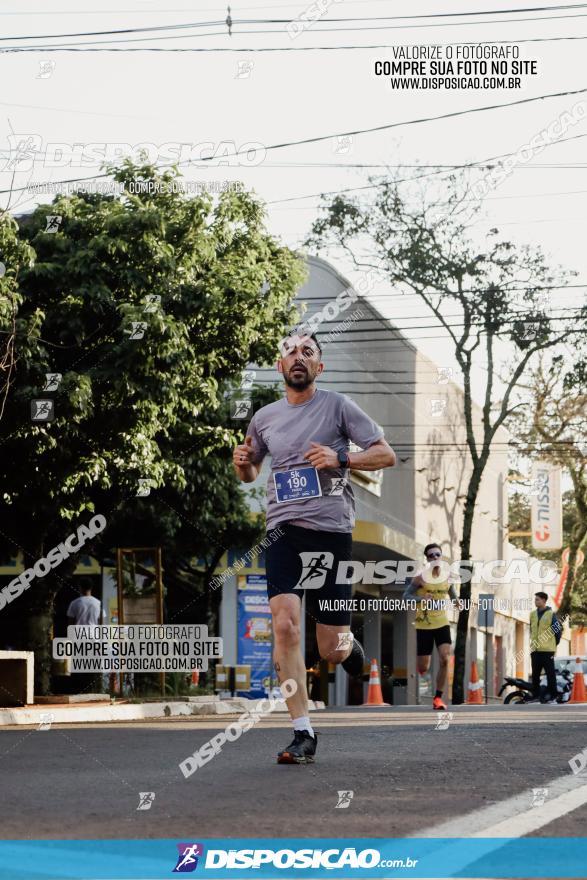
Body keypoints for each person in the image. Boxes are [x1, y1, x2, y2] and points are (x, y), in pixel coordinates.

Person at [233, 331, 396, 764]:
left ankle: (349, 647)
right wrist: (243, 465)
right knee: (284, 624)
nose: (298, 357)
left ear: (319, 367)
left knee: (330, 648)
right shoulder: (264, 417)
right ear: (280, 366)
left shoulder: (338, 407)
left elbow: (385, 454)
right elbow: (251, 474)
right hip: (283, 530)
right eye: (290, 351)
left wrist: (341, 459)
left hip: (330, 533)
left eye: (308, 352)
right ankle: (302, 732)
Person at [402, 542, 460, 710]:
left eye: (437, 555)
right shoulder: (420, 578)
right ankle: (421, 672)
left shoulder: (447, 576)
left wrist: (456, 601)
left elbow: (451, 592)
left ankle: (438, 698)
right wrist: (421, 600)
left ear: (441, 557)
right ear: (427, 559)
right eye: (431, 555)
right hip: (424, 625)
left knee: (445, 658)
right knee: (423, 667)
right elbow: (406, 597)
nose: (435, 558)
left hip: (442, 623)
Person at [530, 591, 562, 703]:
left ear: (544, 600)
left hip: (547, 651)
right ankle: (536, 696)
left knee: (550, 674)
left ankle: (553, 696)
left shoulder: (550, 614)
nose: (535, 601)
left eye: (537, 599)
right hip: (535, 650)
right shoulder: (532, 614)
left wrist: (553, 644)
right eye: (535, 599)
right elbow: (532, 631)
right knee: (535, 675)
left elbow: (557, 632)